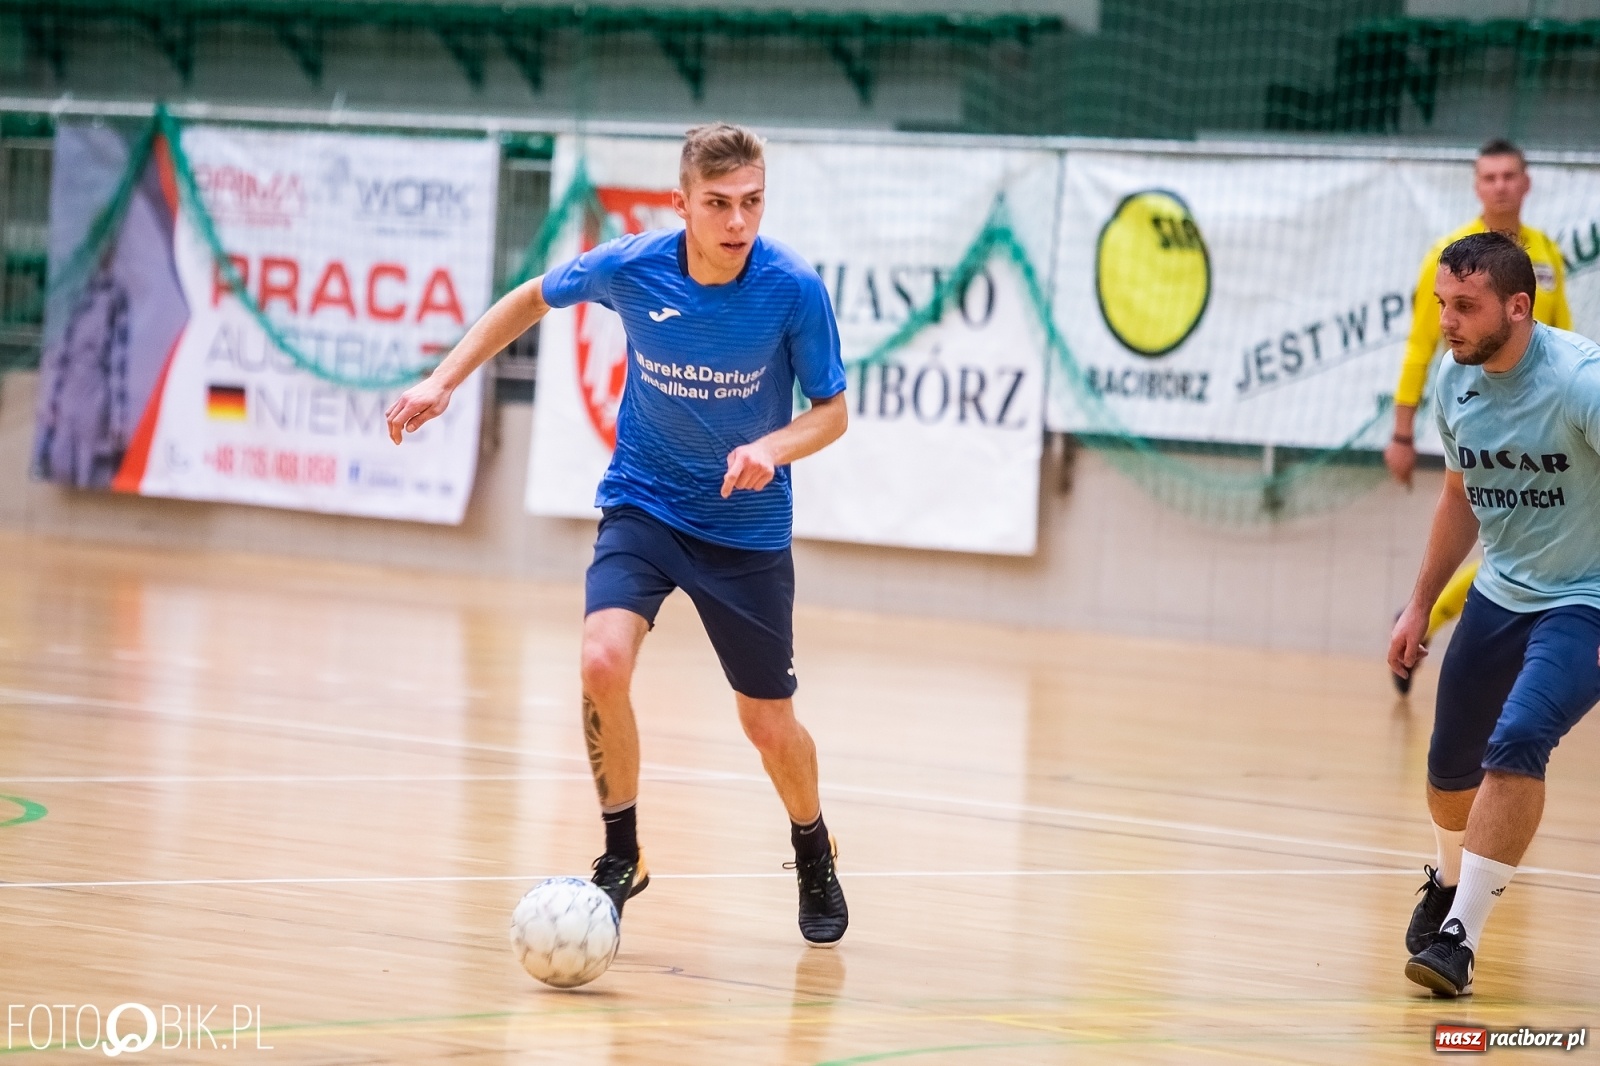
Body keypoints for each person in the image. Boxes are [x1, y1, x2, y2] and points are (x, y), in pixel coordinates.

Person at [384, 123, 852, 946]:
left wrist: (768, 449)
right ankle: (621, 853)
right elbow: (531, 297)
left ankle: (812, 845)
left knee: (766, 724)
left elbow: (832, 415)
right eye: (718, 205)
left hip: (744, 530)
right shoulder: (633, 266)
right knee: (601, 660)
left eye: (751, 203)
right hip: (645, 504)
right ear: (682, 205)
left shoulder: (791, 289)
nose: (737, 222)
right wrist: (443, 379)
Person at [1388, 231, 1600, 997]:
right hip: (1501, 591)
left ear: (1517, 306)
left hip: (1586, 600)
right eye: (1443, 304)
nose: (1447, 321)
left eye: (1465, 307)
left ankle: (1458, 942)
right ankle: (1449, 883)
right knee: (1450, 771)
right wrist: (1419, 605)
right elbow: (1457, 495)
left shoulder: (1581, 382)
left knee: (1519, 738)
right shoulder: (1455, 379)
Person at [1385, 139, 1572, 695]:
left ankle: (1427, 615)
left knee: (1518, 547)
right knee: (1506, 544)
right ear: (1476, 186)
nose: (1500, 186)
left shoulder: (1547, 255)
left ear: (1526, 183)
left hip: (1546, 430)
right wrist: (1401, 431)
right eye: (1488, 177)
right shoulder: (1449, 256)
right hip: (1486, 427)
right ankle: (1427, 615)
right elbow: (1422, 346)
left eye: (1509, 176)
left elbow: (1564, 335)